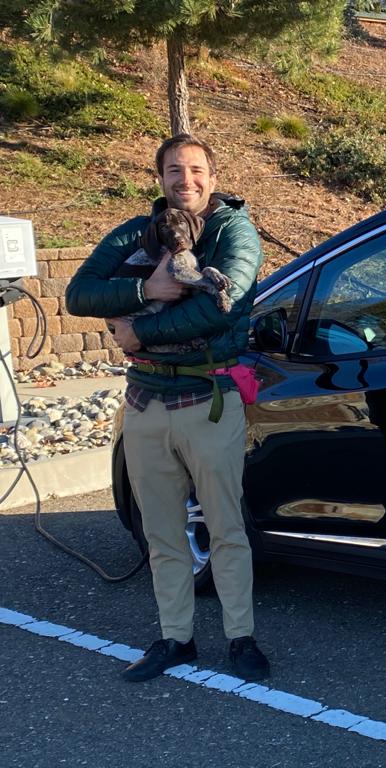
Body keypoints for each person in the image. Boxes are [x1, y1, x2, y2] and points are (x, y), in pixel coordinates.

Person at [66, 134, 269, 683]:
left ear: (212, 172)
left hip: (208, 399)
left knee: (226, 528)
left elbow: (218, 311)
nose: (187, 180)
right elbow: (78, 294)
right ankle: (175, 638)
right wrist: (143, 290)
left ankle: (240, 638)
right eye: (175, 170)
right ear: (160, 177)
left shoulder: (234, 231)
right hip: (145, 402)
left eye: (197, 169)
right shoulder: (139, 231)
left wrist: (138, 333)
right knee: (162, 533)